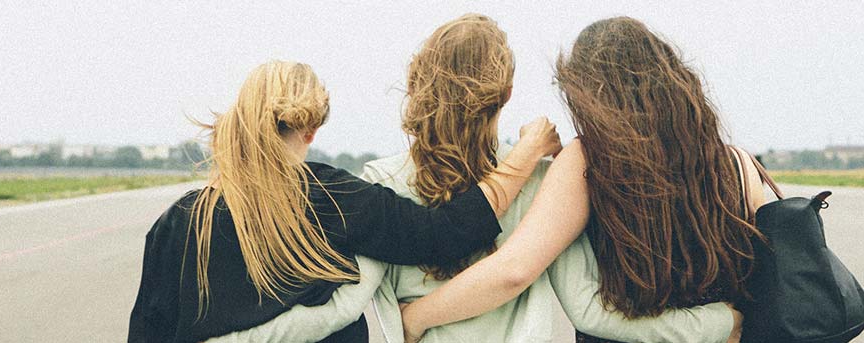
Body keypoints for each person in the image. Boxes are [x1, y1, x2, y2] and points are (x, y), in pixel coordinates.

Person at [206, 15, 733, 343]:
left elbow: (342, 308)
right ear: (504, 96)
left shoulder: (379, 182)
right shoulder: (548, 183)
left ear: (416, 83)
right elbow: (588, 308)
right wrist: (721, 324)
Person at [126, 60, 561, 342]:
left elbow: (146, 334)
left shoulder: (177, 225)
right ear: (311, 130)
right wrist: (525, 154)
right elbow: (444, 234)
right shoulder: (335, 198)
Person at [395, 17, 763, 343]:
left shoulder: (587, 161)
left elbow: (514, 270)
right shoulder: (739, 163)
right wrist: (725, 324)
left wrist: (417, 317)